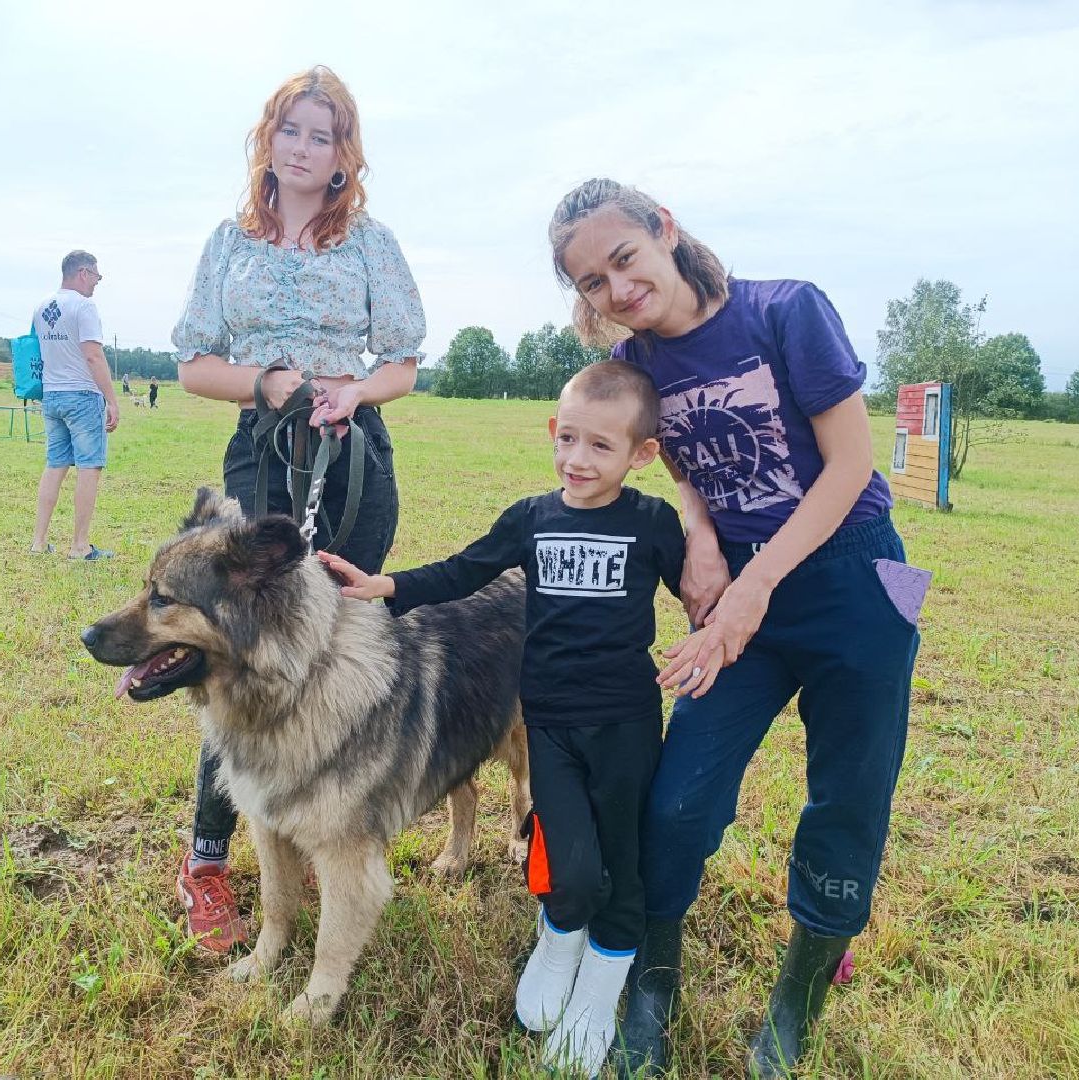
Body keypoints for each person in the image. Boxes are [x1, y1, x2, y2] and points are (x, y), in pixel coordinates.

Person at [549, 178, 928, 1078]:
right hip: (742, 589)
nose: (617, 288)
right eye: (593, 282)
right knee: (678, 794)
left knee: (850, 794)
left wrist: (755, 580)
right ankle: (654, 978)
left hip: (859, 575)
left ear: (665, 230)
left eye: (624, 259)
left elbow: (851, 467)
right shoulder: (639, 363)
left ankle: (796, 1001)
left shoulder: (788, 311)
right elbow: (680, 457)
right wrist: (705, 535)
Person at [320, 361, 686, 1079]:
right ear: (553, 431)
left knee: (624, 865)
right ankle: (558, 943)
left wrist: (719, 627)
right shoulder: (532, 518)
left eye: (601, 448)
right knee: (570, 865)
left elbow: (701, 588)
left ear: (642, 455)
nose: (578, 460)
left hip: (627, 726)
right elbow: (466, 570)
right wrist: (385, 585)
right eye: (569, 439)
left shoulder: (652, 523)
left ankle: (597, 994)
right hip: (550, 727)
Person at [169, 65, 425, 954]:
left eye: (326, 134)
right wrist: (268, 380)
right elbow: (193, 363)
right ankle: (208, 861)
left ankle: (334, 824)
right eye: (293, 130)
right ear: (267, 140)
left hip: (353, 459)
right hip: (259, 459)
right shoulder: (229, 244)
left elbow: (404, 364)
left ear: (344, 152)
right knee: (232, 659)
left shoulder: (370, 243)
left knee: (335, 653)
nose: (308, 148)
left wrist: (353, 392)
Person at [29, 249, 119, 560]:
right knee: (88, 467)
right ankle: (80, 546)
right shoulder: (83, 306)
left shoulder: (42, 308)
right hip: (81, 394)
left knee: (55, 465)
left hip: (52, 395)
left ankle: (39, 541)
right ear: (83, 273)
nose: (97, 282)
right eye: (96, 276)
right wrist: (111, 398)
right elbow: (93, 355)